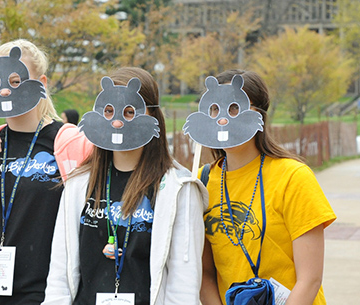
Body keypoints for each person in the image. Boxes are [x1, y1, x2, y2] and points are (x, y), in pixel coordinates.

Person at [0, 39, 92, 305]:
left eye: (15, 81)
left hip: (46, 295)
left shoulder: (71, 144)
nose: (5, 91)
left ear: (42, 83)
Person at [43, 67, 207, 305]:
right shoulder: (78, 185)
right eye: (108, 111)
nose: (117, 121)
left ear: (152, 116)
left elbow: (183, 287)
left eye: (129, 112)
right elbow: (59, 275)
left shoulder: (178, 189)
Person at [198, 70, 336, 305]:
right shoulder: (202, 182)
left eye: (234, 108)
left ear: (259, 114)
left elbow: (310, 279)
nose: (222, 119)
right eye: (214, 109)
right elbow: (205, 274)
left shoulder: (293, 177)